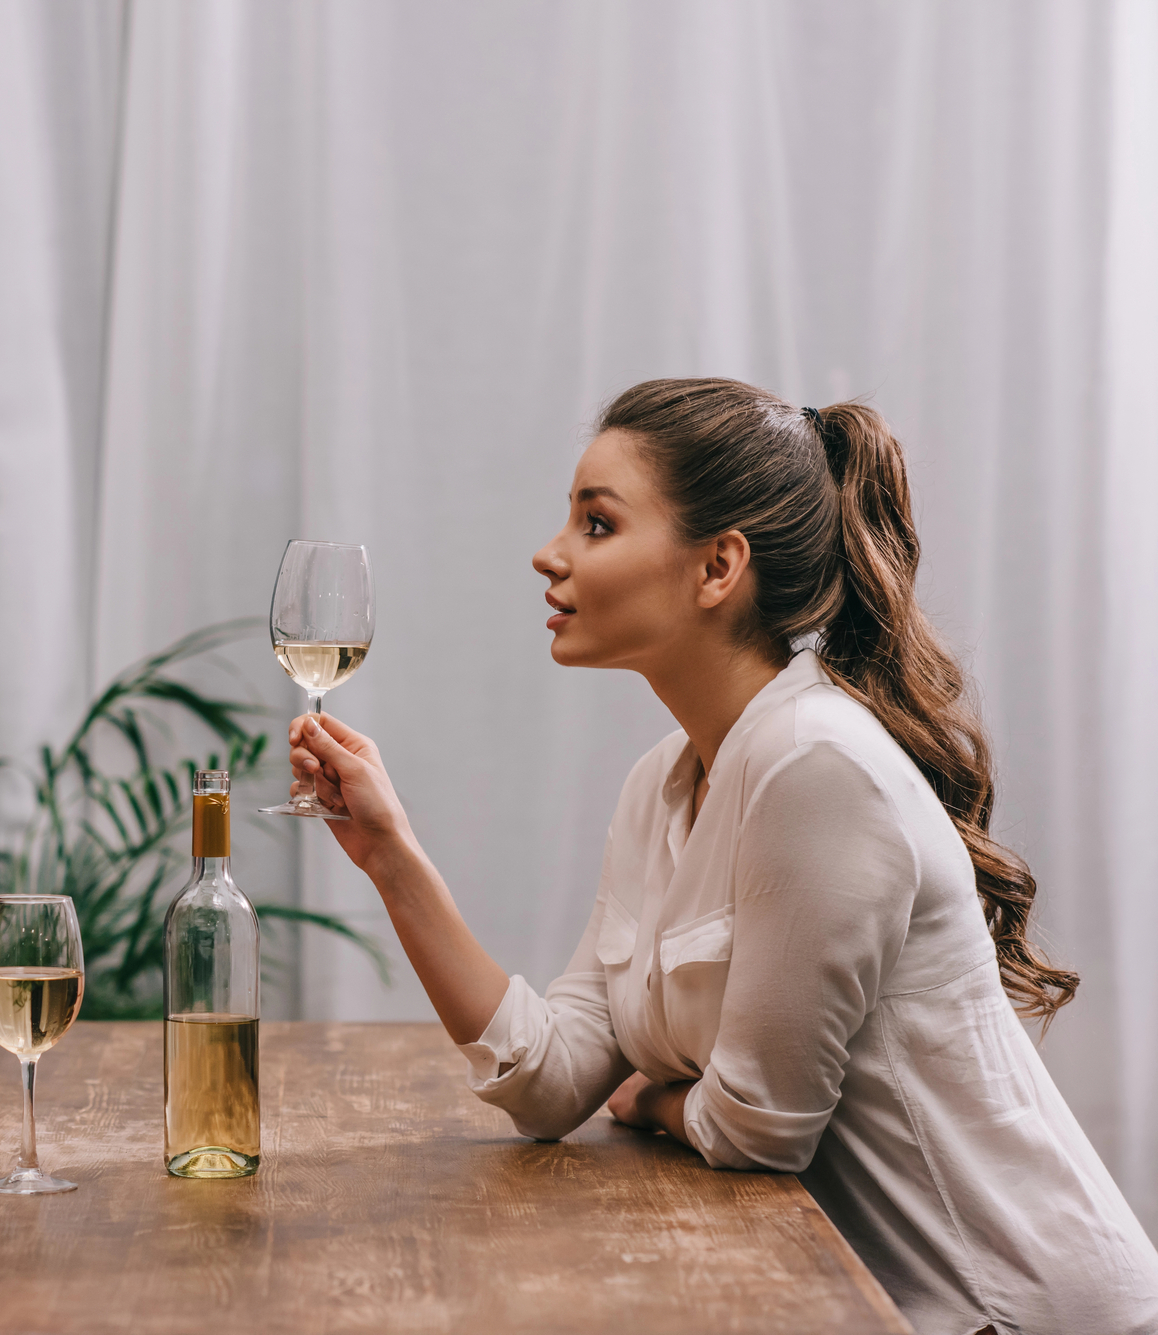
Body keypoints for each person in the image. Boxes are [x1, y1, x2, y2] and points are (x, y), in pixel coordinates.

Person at [286, 379, 1158, 1335]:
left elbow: (758, 1127)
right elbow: (551, 1082)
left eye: (597, 523)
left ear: (718, 567)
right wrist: (391, 856)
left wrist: (654, 1098)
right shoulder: (663, 782)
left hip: (1011, 1308)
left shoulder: (817, 765)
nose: (549, 552)